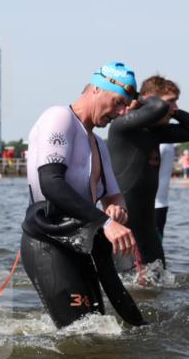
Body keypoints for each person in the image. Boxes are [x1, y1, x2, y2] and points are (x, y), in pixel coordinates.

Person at [20, 62, 145, 328]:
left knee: (96, 328)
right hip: (48, 241)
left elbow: (114, 197)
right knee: (82, 336)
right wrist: (106, 223)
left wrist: (116, 211)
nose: (122, 112)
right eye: (119, 102)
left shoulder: (98, 143)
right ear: (97, 90)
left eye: (126, 106)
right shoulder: (59, 118)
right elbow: (51, 183)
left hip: (80, 241)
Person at [107, 74, 189, 269]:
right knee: (130, 286)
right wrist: (142, 100)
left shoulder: (157, 133)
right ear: (149, 101)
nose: (175, 109)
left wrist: (173, 111)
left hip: (147, 228)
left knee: (159, 281)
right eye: (171, 103)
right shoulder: (123, 128)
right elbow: (158, 107)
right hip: (124, 226)